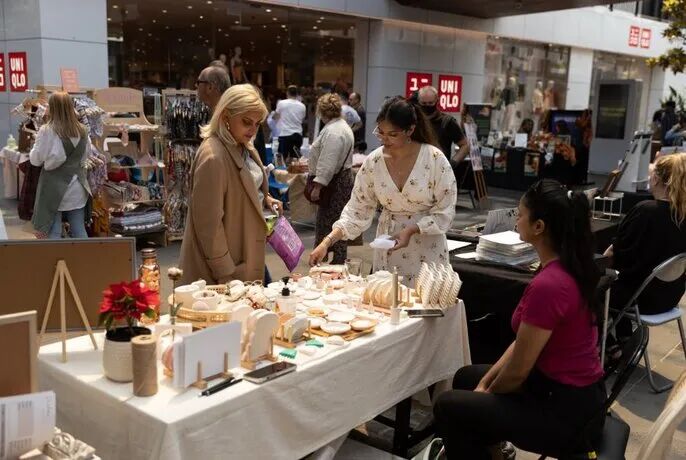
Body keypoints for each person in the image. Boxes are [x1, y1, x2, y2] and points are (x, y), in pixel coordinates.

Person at [434, 179, 606, 459]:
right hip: (560, 391)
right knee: (466, 378)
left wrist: (488, 393)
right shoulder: (563, 267)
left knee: (448, 406)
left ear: (539, 227)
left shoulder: (551, 285)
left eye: (520, 214)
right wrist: (484, 385)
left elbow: (517, 373)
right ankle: (492, 451)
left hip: (567, 413)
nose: (516, 219)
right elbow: (521, 345)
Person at [309, 96, 457, 286]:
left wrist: (412, 229)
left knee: (425, 299)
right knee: (387, 297)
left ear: (410, 130)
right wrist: (327, 241)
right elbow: (357, 209)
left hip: (427, 247)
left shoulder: (434, 159)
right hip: (388, 245)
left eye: (393, 134)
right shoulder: (374, 161)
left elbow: (445, 211)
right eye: (380, 132)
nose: (385, 139)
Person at [179, 84, 282, 285]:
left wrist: (265, 199)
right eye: (246, 122)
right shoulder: (214, 157)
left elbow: (245, 186)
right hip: (225, 268)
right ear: (226, 117)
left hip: (245, 252)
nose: (253, 130)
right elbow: (209, 226)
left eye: (257, 124)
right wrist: (226, 273)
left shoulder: (242, 144)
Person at [604, 154, 686, 343]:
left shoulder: (646, 211)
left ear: (656, 178)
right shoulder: (681, 214)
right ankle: (622, 337)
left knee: (589, 286)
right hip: (670, 297)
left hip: (640, 299)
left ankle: (609, 345)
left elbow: (615, 255)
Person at [30, 92, 92, 239]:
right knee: (79, 229)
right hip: (77, 186)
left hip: (53, 188)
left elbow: (35, 160)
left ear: (53, 108)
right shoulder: (83, 130)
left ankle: (56, 255)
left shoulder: (47, 130)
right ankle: (85, 254)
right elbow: (86, 156)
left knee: (54, 231)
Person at [308, 94, 355, 264]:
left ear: (321, 111)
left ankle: (328, 262)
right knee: (337, 221)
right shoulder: (341, 126)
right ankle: (334, 261)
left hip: (334, 183)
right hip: (340, 181)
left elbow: (328, 161)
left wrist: (318, 186)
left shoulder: (334, 131)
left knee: (331, 223)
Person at [417, 86, 471, 194]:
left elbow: (465, 145)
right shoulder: (414, 120)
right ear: (418, 102)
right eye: (423, 103)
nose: (427, 106)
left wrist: (453, 163)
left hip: (438, 173)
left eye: (430, 103)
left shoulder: (447, 122)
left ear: (437, 101)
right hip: (416, 171)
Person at [273, 85, 306, 160]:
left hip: (285, 134)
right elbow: (302, 119)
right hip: (297, 135)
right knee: (295, 159)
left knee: (281, 159)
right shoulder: (302, 106)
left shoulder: (281, 103)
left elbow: (275, 117)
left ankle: (281, 167)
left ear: (287, 93)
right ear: (297, 94)